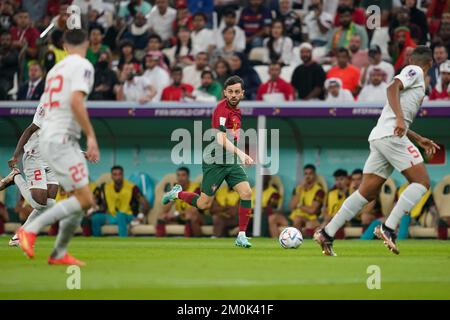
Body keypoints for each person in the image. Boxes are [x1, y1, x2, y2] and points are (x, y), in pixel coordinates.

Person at [315, 46, 439, 256]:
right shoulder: (415, 71)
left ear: (410, 58)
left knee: (367, 192)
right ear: (430, 64)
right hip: (391, 136)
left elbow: (398, 118)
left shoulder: (414, 78)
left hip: (382, 135)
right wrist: (400, 119)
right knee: (422, 182)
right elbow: (391, 88)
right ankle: (389, 228)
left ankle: (327, 232)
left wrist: (419, 139)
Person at [16, 29, 100, 266]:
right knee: (84, 200)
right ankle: (30, 230)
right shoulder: (83, 66)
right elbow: (75, 101)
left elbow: (48, 106)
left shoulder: (54, 71)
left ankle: (59, 253)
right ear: (88, 43)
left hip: (51, 139)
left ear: (63, 46)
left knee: (83, 200)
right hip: (61, 139)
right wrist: (91, 136)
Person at [162, 76, 255, 248]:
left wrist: (237, 154)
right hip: (214, 160)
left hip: (230, 160)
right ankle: (177, 193)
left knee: (247, 193)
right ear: (224, 93)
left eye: (237, 92)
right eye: (230, 92)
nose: (234, 95)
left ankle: (241, 236)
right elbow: (220, 139)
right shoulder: (221, 109)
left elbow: (232, 136)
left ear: (242, 94)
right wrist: (242, 154)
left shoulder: (238, 111)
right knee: (203, 204)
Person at [0, 103, 59, 247]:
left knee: (50, 203)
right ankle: (15, 176)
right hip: (35, 156)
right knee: (39, 203)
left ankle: (18, 237)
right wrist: (16, 155)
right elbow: (30, 129)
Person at [91, 166, 149, 237]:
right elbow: (95, 200)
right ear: (111, 176)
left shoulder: (132, 187)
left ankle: (123, 241)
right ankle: (98, 244)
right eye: (115, 174)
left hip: (128, 216)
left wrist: (140, 216)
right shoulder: (106, 187)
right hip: (112, 216)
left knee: (120, 215)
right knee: (95, 218)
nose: (117, 177)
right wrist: (93, 208)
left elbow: (145, 203)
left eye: (119, 174)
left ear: (123, 175)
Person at [157, 167, 202, 237]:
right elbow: (165, 209)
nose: (180, 178)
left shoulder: (196, 188)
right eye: (178, 175)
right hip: (180, 216)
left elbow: (194, 209)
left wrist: (176, 214)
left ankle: (192, 241)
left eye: (183, 175)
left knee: (190, 215)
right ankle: (160, 243)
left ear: (188, 176)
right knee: (161, 216)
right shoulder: (176, 188)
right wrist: (172, 196)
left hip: (195, 216)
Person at [289, 164, 325, 237]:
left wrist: (299, 206)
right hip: (294, 216)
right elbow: (292, 206)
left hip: (310, 218)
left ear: (315, 175)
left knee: (298, 219)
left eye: (310, 174)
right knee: (274, 218)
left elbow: (312, 210)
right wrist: (300, 189)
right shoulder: (298, 188)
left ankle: (297, 241)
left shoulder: (319, 191)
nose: (308, 176)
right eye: (305, 174)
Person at [321, 169, 349, 238]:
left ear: (347, 179)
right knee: (323, 226)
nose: (339, 182)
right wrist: (326, 216)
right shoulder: (330, 193)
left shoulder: (351, 192)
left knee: (326, 227)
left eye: (341, 179)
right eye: (336, 180)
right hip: (330, 220)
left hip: (345, 221)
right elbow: (324, 208)